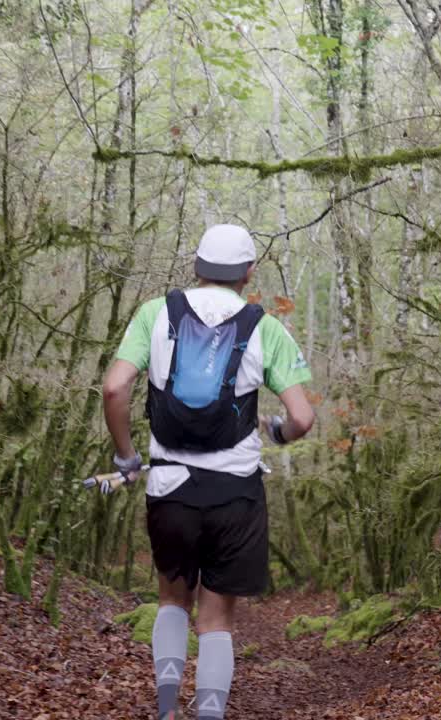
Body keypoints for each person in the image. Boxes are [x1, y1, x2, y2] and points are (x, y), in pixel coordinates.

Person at [101, 223, 315, 720]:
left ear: (195, 266)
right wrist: (278, 435)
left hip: (168, 484)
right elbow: (303, 417)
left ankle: (167, 708)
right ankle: (210, 714)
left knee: (172, 599)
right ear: (248, 273)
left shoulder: (155, 313)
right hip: (235, 493)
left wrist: (127, 458)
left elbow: (114, 389)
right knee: (216, 619)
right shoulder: (265, 327)